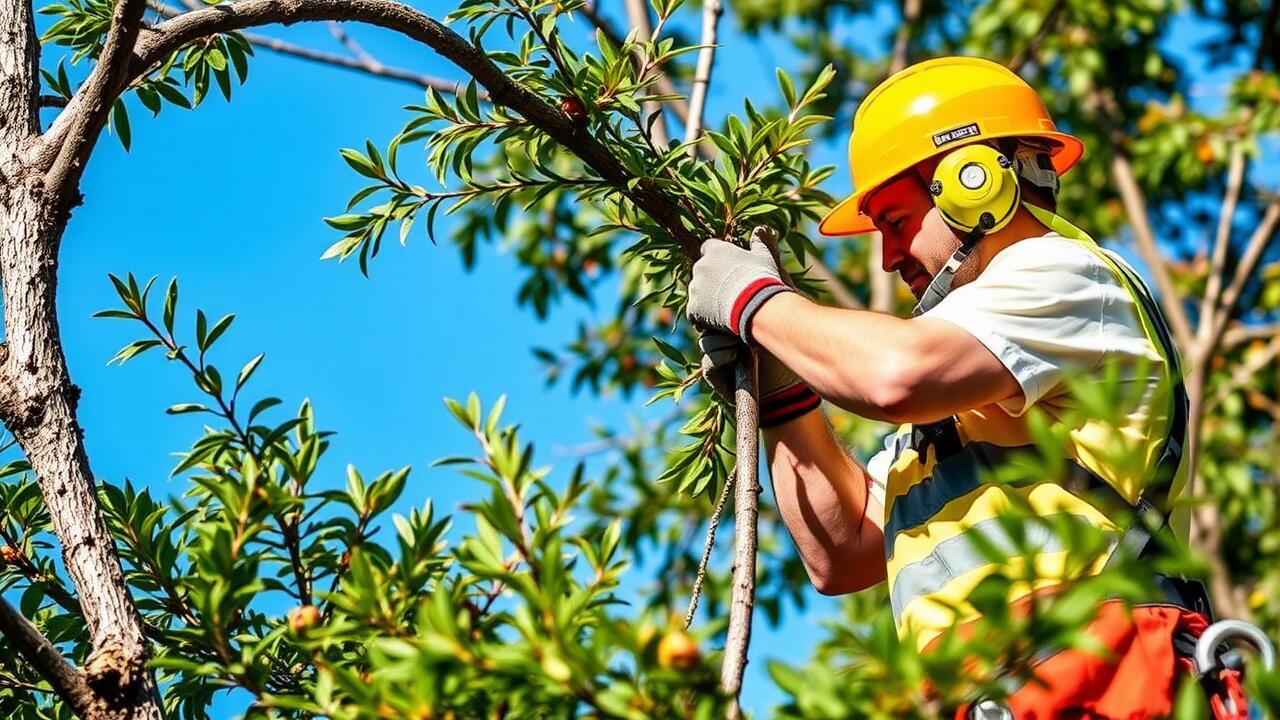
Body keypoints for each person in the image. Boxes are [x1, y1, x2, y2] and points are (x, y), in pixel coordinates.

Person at [686, 56, 1223, 718]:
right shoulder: (970, 402)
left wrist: (756, 302)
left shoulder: (1064, 276)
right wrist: (782, 388)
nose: (889, 257)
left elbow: (896, 375)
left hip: (1104, 678)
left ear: (974, 181)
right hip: (1002, 694)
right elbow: (842, 550)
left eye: (895, 221)